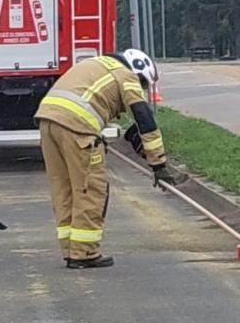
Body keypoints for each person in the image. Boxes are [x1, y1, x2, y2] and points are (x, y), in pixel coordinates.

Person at [35, 49, 179, 269]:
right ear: (138, 70)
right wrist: (158, 164)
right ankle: (84, 253)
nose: (140, 87)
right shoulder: (126, 75)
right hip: (77, 128)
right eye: (142, 83)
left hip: (48, 122)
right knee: (90, 188)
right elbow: (144, 119)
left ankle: (70, 249)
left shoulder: (98, 65)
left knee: (64, 188)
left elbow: (92, 102)